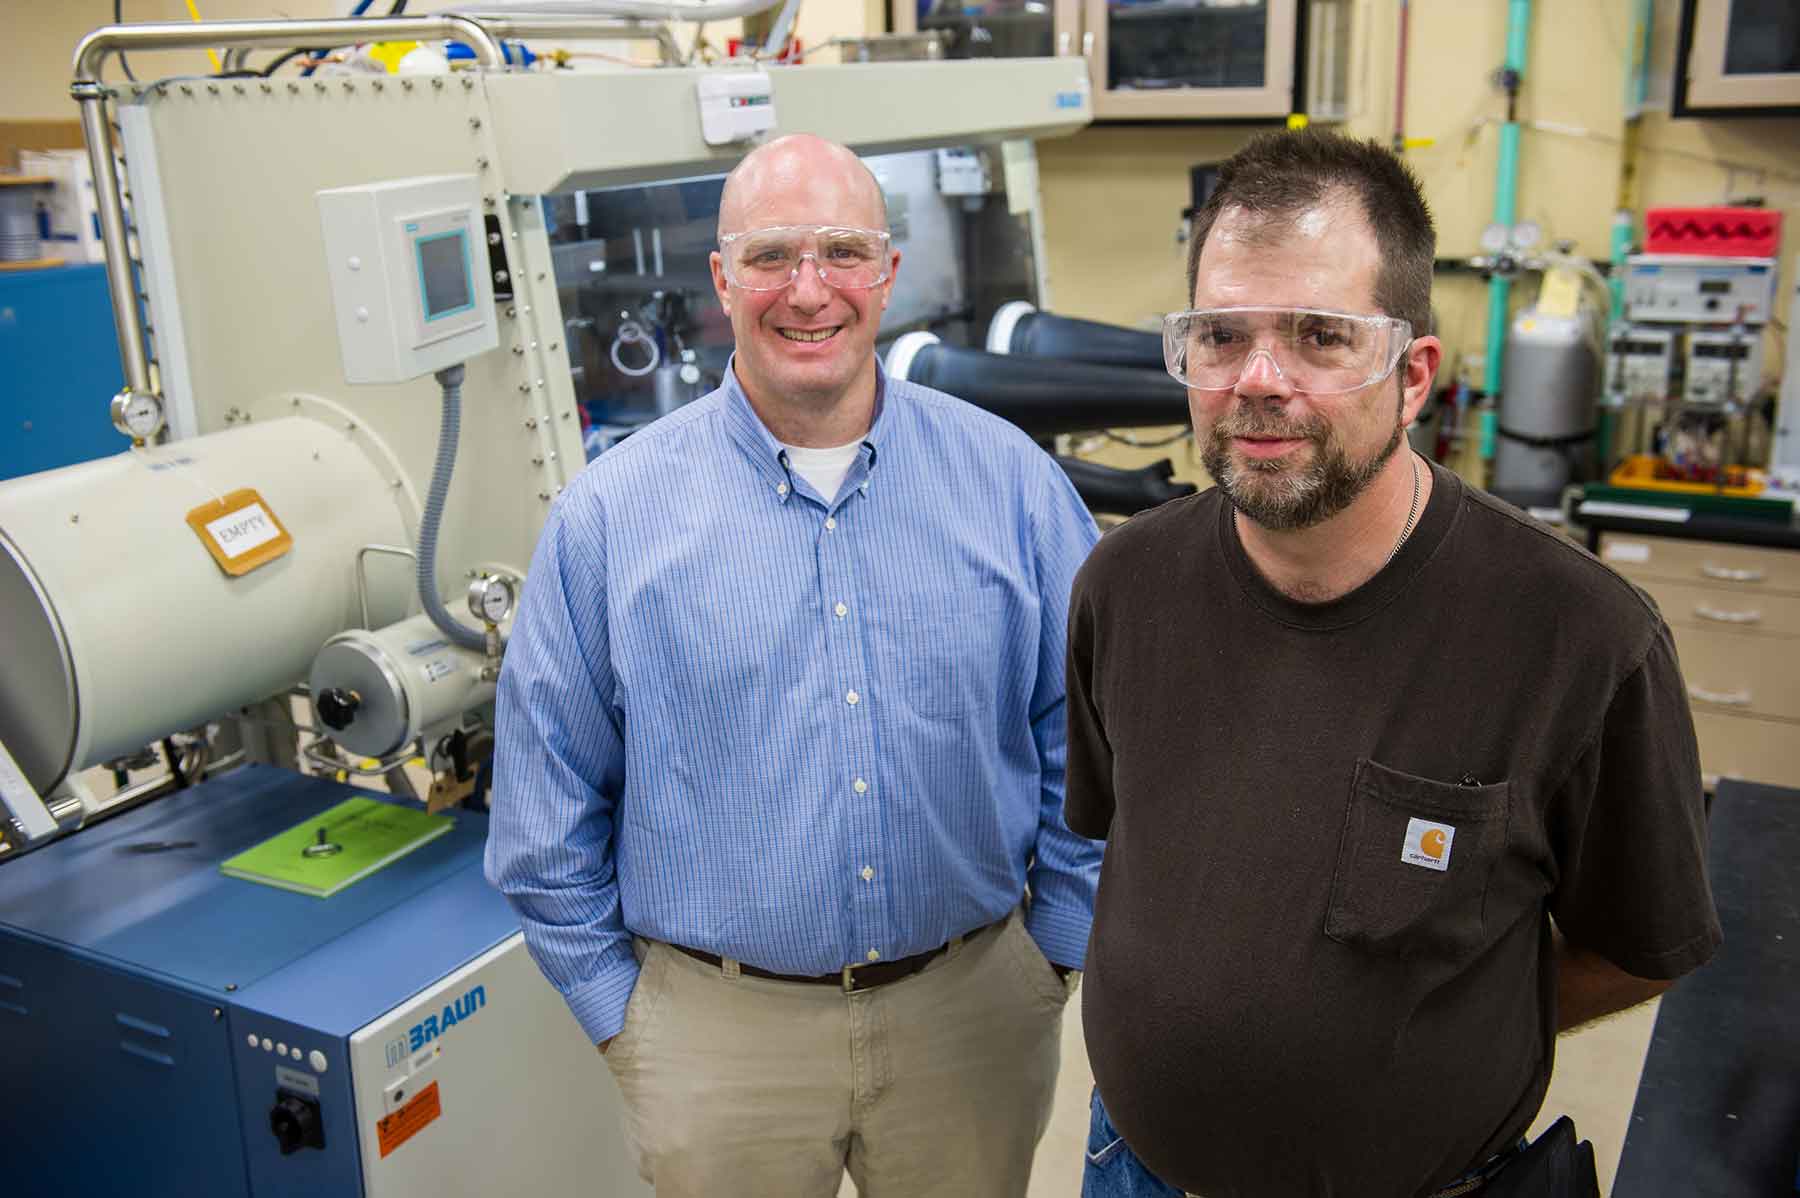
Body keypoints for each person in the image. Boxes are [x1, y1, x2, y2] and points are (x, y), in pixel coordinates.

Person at [1065, 129, 1721, 1198]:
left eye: (1320, 337)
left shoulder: (1583, 640)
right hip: (1132, 1171)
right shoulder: (1122, 587)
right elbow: (1130, 852)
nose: (1258, 381)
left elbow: (1639, 944)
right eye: (1222, 335)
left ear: (1412, 375)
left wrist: (1432, 1028)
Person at [485, 133, 1101, 1198]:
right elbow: (545, 810)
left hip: (973, 1014)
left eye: (840, 252)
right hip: (718, 1044)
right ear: (721, 278)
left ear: (887, 271)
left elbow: (1090, 739)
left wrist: (1049, 952)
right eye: (771, 255)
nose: (808, 290)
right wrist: (627, 1022)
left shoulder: (1013, 484)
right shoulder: (608, 519)